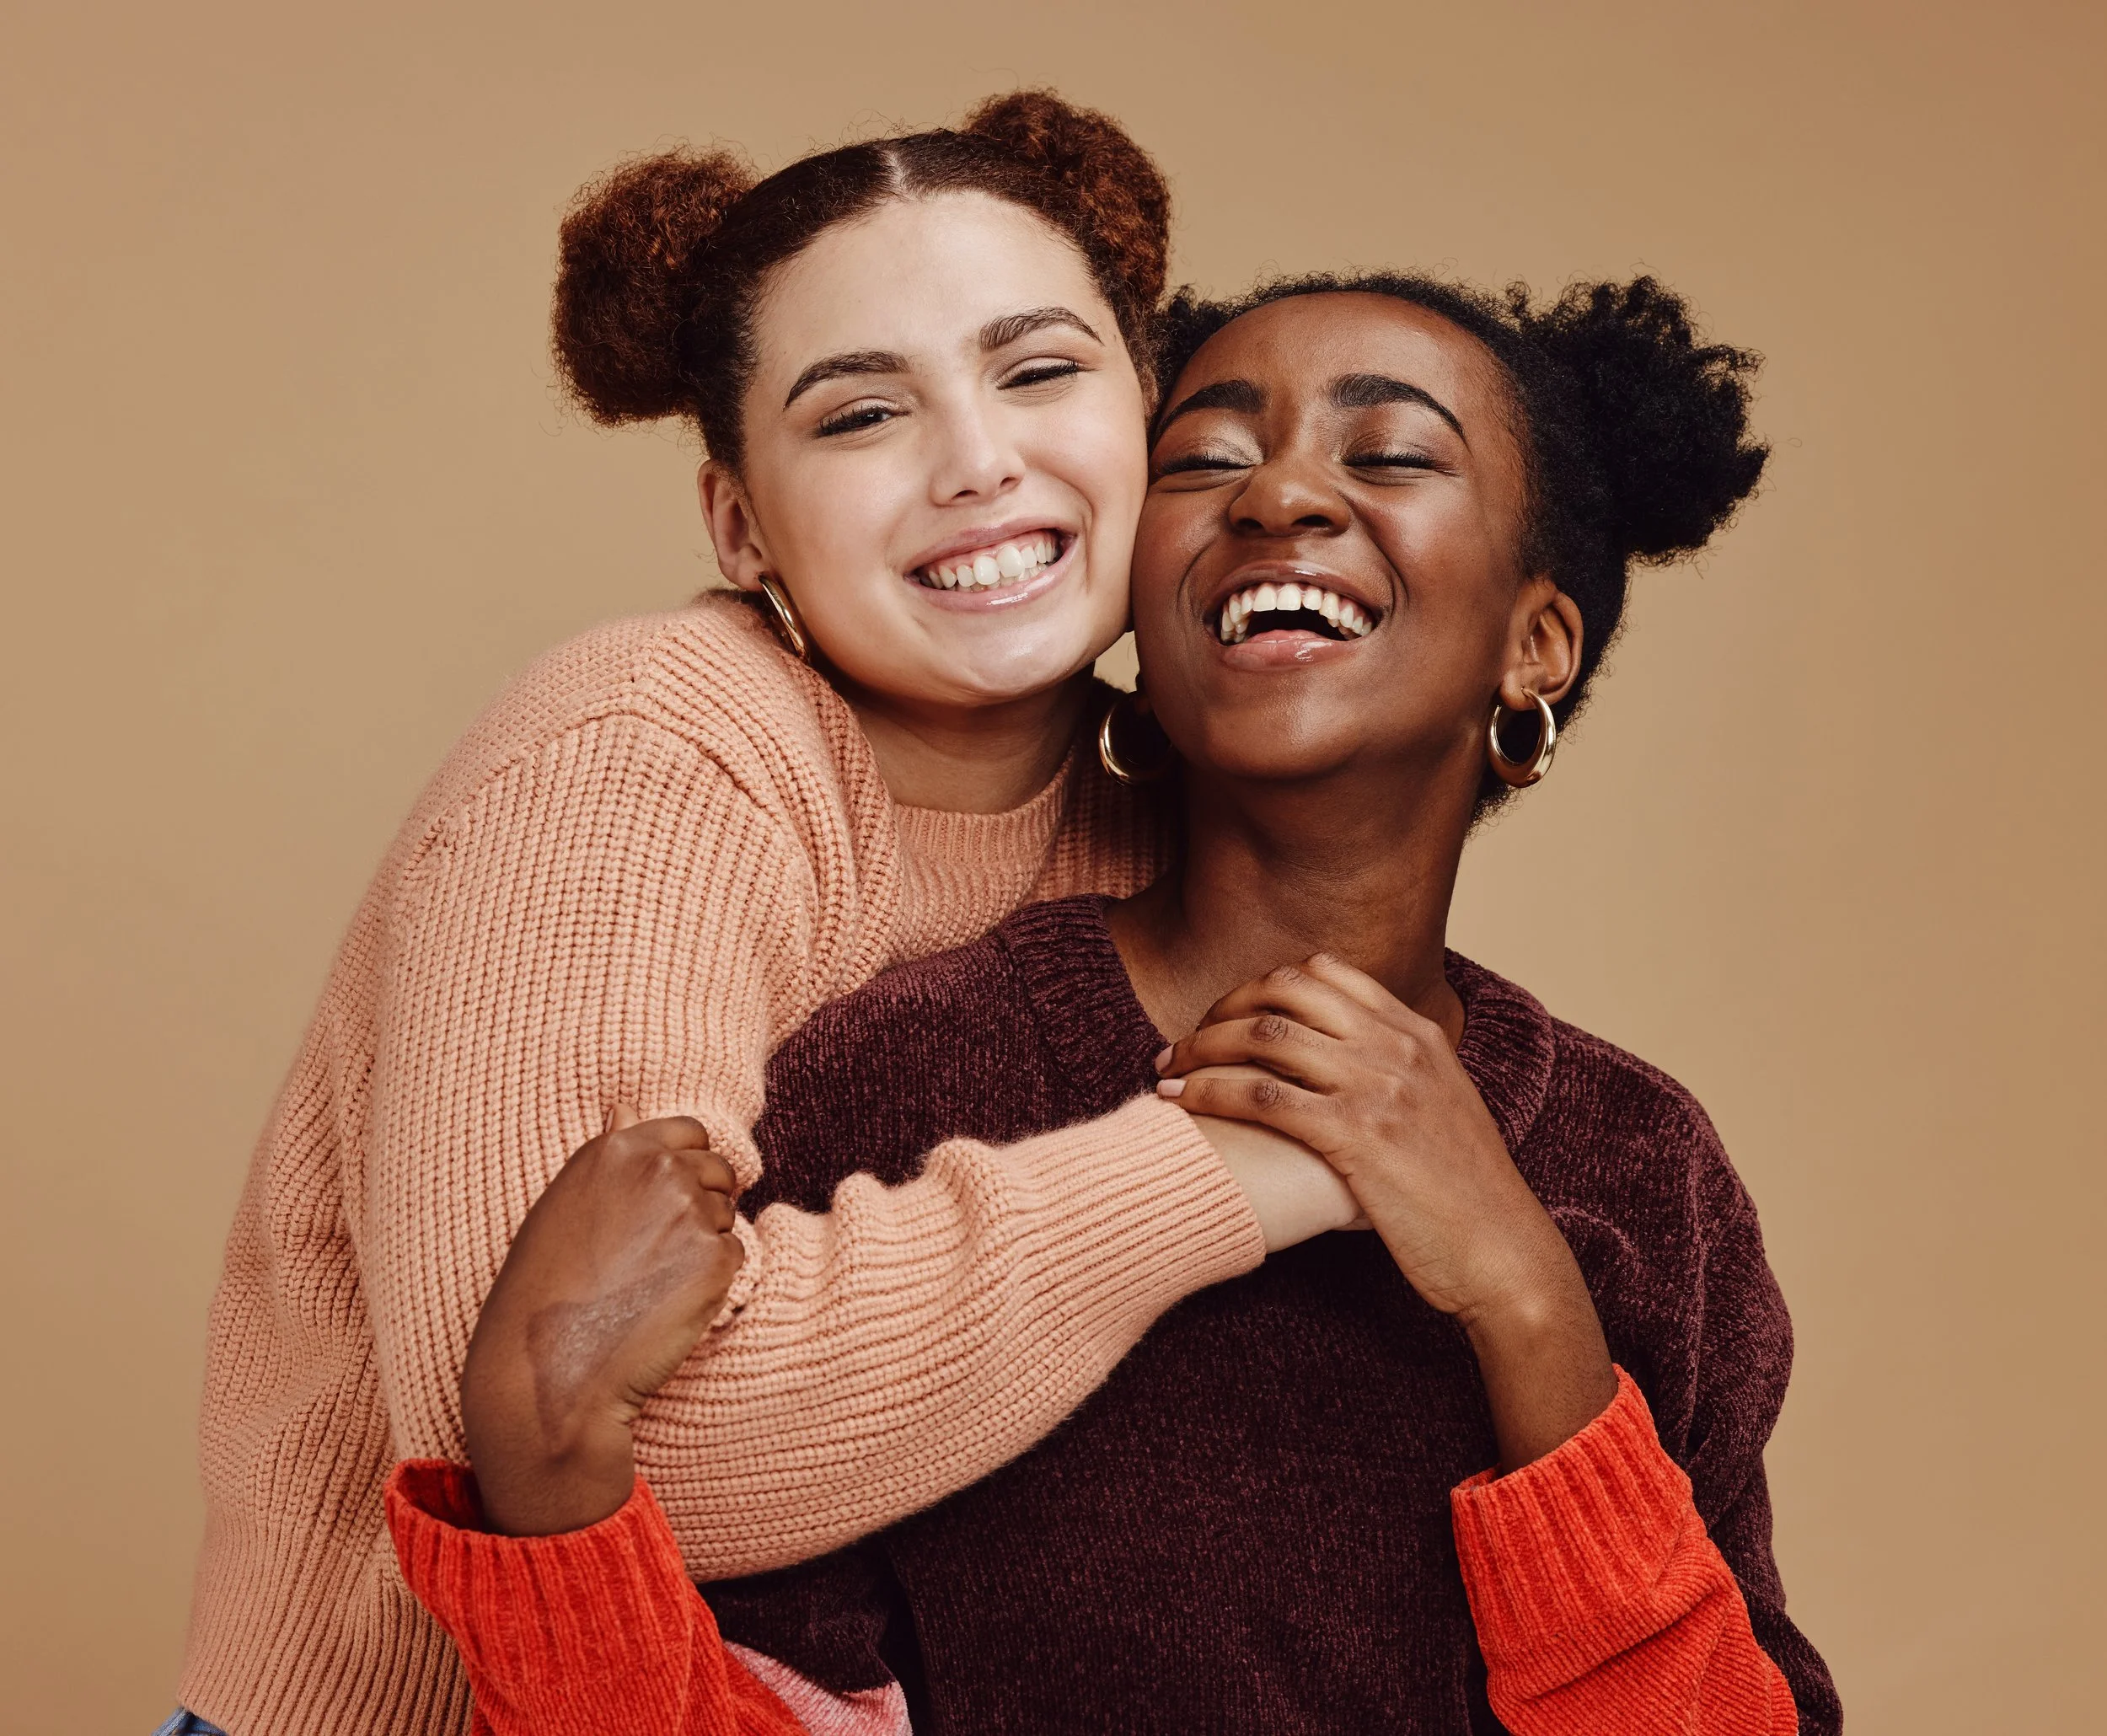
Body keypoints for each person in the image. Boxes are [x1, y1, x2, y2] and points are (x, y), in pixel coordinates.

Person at [385, 274, 1842, 1734]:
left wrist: (1528, 1303)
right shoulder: (901, 1075)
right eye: (1204, 460)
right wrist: (553, 1467)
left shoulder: (1644, 1168)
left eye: (1389, 454)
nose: (1278, 493)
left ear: (1537, 645)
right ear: (1142, 613)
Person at [174, 94, 1359, 1736]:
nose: (977, 460)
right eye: (862, 414)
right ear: (741, 523)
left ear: (1151, 412)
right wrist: (1228, 1167)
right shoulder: (642, 757)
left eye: (1037, 370)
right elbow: (589, 1438)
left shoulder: (1175, 810)